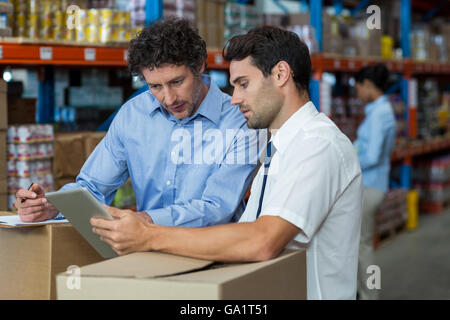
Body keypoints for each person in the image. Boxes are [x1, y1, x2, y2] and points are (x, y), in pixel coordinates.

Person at [91, 26, 363, 300]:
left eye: (243, 84)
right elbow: (246, 233)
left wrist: (149, 235)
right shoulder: (280, 147)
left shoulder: (317, 144)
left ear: (280, 74)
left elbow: (262, 241)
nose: (234, 99)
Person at [14, 18, 259, 227]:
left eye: (176, 82)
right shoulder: (133, 115)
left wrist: (143, 220)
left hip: (216, 256)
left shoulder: (240, 120)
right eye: (155, 86)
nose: (169, 98)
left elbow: (216, 208)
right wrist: (52, 206)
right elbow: (93, 187)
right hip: (146, 252)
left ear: (199, 66)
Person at [353, 63, 396, 300]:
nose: (358, 94)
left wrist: (346, 161)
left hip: (371, 186)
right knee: (361, 244)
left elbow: (372, 155)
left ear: (368, 85)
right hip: (370, 184)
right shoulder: (377, 111)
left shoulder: (380, 114)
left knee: (364, 246)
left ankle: (371, 294)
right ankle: (365, 292)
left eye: (358, 88)